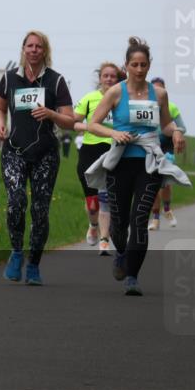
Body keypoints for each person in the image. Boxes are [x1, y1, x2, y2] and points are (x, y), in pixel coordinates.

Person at [84, 38, 190, 296]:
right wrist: (113, 133)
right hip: (120, 163)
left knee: (139, 219)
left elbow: (165, 124)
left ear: (149, 64)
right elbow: (93, 124)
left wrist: (175, 131)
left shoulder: (160, 94)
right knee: (119, 223)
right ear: (127, 65)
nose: (140, 69)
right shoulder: (116, 92)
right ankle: (121, 253)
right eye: (135, 64)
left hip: (148, 162)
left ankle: (132, 276)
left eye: (144, 64)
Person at [0, 31, 76, 285]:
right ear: (23, 49)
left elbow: (70, 122)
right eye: (30, 45)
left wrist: (50, 113)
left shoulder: (56, 81)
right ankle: (17, 252)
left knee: (40, 211)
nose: (34, 50)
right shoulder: (9, 79)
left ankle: (34, 266)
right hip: (14, 151)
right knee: (16, 201)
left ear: (45, 51)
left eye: (39, 46)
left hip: (45, 155)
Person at [72, 62, 121, 255]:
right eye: (105, 76)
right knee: (92, 201)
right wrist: (91, 126)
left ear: (117, 79)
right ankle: (93, 225)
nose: (109, 79)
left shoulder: (122, 99)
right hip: (90, 151)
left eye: (113, 76)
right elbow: (74, 123)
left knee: (107, 197)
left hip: (114, 151)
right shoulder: (89, 98)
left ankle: (104, 239)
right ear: (100, 78)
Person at [148, 77, 186, 230]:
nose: (158, 92)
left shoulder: (172, 107)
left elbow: (182, 127)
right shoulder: (144, 106)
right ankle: (156, 218)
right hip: (150, 147)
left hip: (167, 148)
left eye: (160, 89)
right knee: (153, 185)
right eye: (154, 89)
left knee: (165, 183)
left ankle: (167, 209)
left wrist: (177, 132)